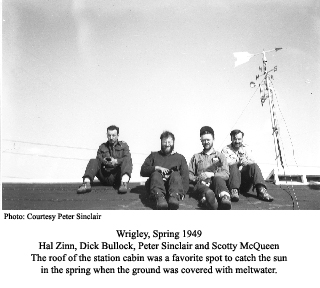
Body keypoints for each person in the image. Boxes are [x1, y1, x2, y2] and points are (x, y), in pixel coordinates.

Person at [140, 131, 189, 210]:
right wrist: (157, 168)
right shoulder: (153, 155)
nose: (167, 144)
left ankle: (173, 199)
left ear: (173, 142)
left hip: (174, 189)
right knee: (156, 174)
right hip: (156, 188)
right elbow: (143, 171)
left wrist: (183, 193)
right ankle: (159, 199)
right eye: (164, 142)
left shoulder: (180, 158)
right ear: (161, 142)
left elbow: (185, 177)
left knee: (175, 174)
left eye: (169, 142)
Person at [77, 125, 132, 194]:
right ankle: (86, 184)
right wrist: (106, 162)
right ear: (107, 135)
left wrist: (116, 161)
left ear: (118, 135)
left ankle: (124, 184)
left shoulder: (124, 146)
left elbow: (127, 158)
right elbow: (99, 159)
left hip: (118, 177)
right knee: (93, 160)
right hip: (105, 176)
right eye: (109, 135)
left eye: (113, 135)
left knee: (127, 160)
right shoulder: (102, 147)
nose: (111, 138)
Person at [221, 129, 274, 202]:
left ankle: (262, 190)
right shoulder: (225, 149)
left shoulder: (247, 148)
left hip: (244, 183)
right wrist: (238, 162)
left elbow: (253, 160)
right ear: (231, 139)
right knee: (233, 166)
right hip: (232, 182)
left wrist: (247, 162)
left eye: (239, 139)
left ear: (242, 139)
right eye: (235, 139)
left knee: (254, 165)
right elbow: (225, 163)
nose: (237, 141)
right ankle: (234, 191)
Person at [189, 126, 231, 210]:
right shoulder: (196, 157)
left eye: (208, 140)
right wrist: (199, 178)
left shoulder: (220, 156)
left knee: (218, 179)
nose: (206, 142)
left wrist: (212, 174)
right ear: (201, 140)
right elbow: (189, 174)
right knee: (202, 189)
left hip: (217, 183)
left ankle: (224, 198)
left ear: (213, 139)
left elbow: (226, 174)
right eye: (204, 140)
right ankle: (209, 201)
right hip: (202, 184)